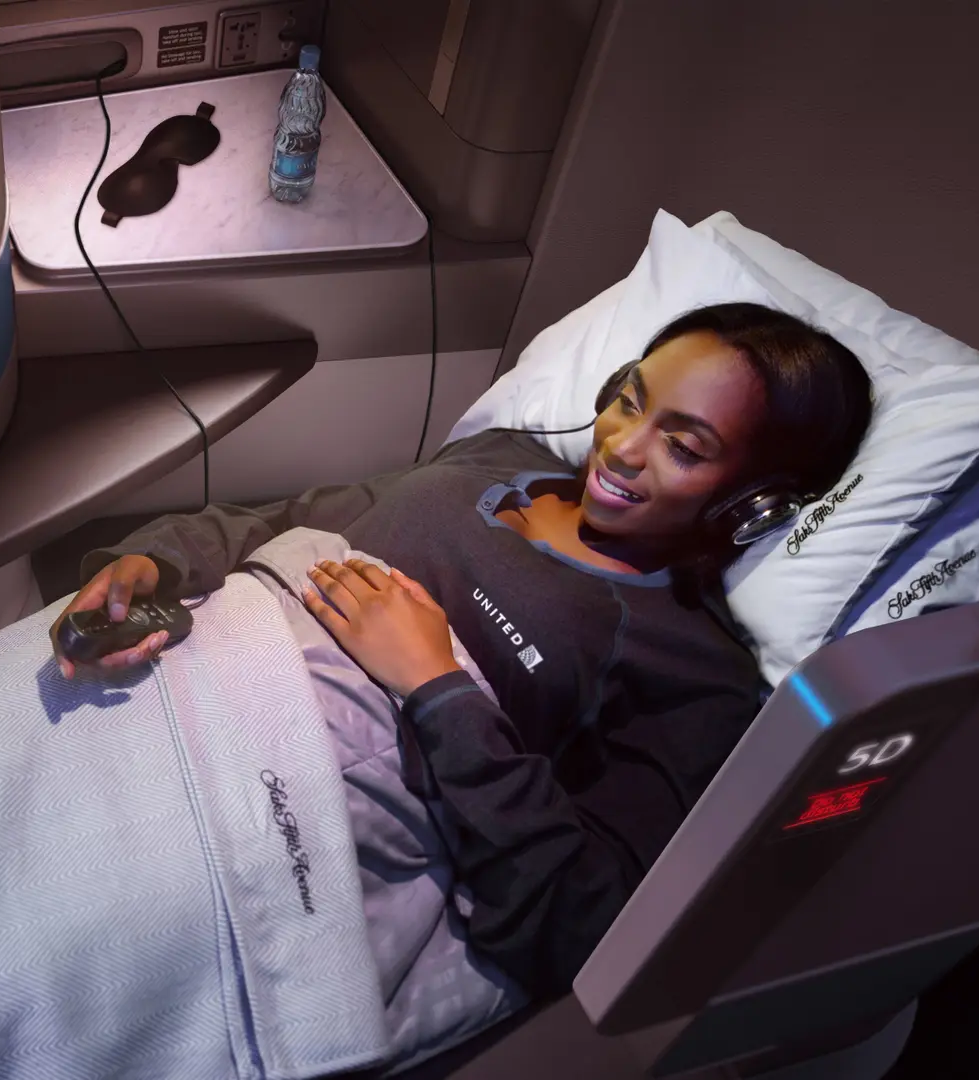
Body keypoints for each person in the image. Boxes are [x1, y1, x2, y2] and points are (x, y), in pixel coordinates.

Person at [48, 302, 875, 999]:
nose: (622, 446)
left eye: (684, 448)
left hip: (264, 808)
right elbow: (287, 519)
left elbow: (581, 927)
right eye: (629, 400)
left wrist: (436, 686)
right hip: (174, 675)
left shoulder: (694, 673)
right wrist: (156, 560)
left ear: (754, 505)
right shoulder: (499, 458)